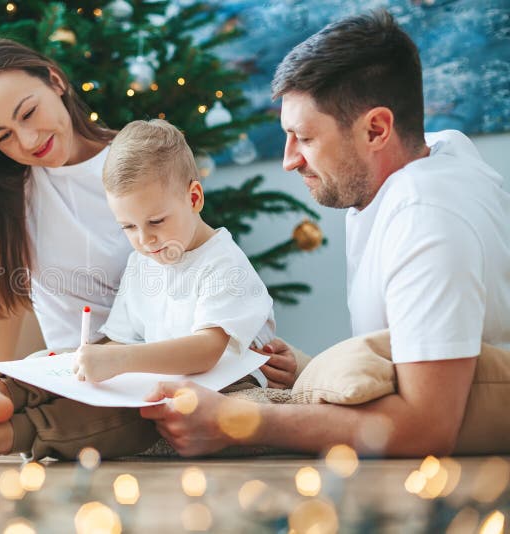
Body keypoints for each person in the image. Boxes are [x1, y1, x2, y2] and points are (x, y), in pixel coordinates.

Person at [139, 9, 510, 457]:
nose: (289, 159)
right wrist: (314, 371)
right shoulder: (440, 150)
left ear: (377, 129)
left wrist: (235, 421)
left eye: (305, 138)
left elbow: (428, 428)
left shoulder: (425, 220)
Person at [0, 37, 295, 462]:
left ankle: (3, 435)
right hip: (87, 363)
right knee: (48, 363)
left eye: (29, 113)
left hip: (148, 374)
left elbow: (210, 302)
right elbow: (18, 309)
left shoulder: (144, 173)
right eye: (4, 136)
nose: (29, 139)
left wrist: (261, 352)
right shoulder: (17, 197)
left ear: (55, 81)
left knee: (112, 414)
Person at [73, 119, 275, 385]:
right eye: (129, 227)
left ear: (194, 199)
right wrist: (92, 358)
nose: (145, 239)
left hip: (227, 387)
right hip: (167, 384)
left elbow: (206, 351)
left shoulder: (222, 262)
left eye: (156, 221)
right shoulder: (140, 263)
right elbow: (121, 341)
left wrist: (120, 360)